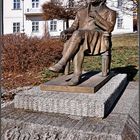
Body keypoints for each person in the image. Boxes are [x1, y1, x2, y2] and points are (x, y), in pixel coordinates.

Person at [49, 0, 116, 86]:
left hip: (98, 39)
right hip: (81, 39)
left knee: (78, 34)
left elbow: (110, 28)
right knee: (79, 42)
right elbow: (74, 27)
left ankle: (62, 63)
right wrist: (65, 31)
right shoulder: (81, 12)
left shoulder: (110, 12)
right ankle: (76, 75)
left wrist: (97, 16)